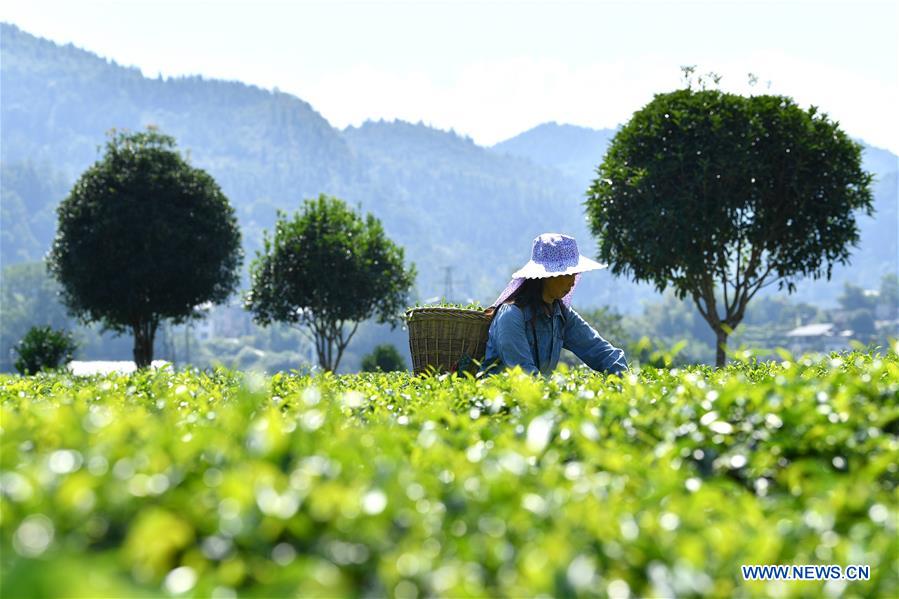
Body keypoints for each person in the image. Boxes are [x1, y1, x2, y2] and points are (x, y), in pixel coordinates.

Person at [476, 233, 628, 378]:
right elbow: (523, 373)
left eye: (575, 274)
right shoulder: (511, 315)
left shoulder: (560, 315)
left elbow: (598, 349)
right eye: (567, 273)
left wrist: (626, 380)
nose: (573, 281)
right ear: (547, 276)